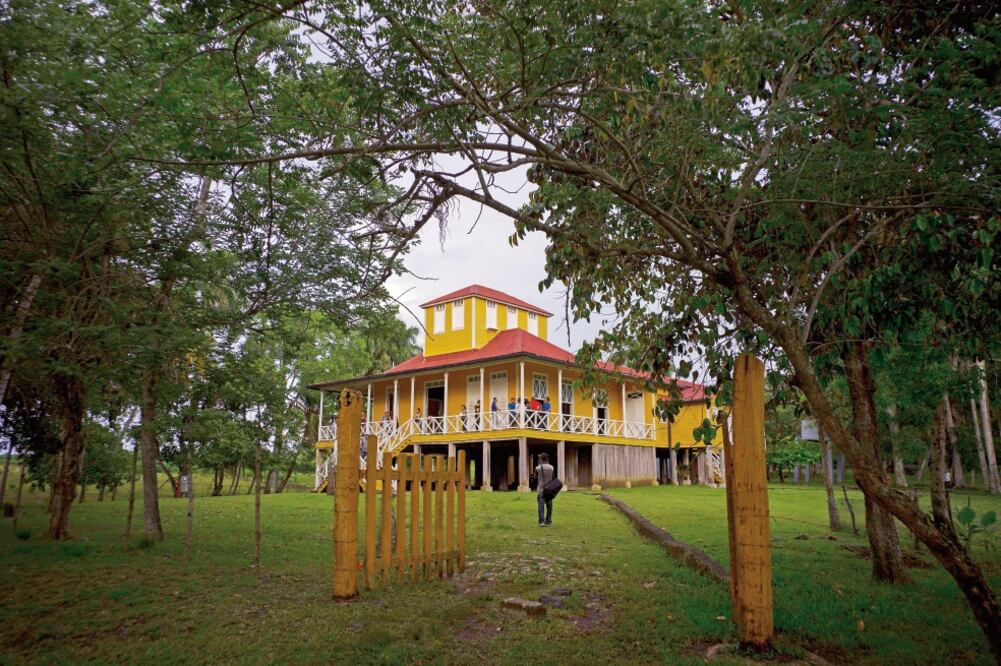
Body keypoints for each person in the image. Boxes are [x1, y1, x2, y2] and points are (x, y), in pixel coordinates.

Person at [535, 453, 556, 526]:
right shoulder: (551, 467)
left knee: (541, 507)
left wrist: (539, 464)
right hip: (549, 489)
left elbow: (535, 477)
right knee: (549, 506)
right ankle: (548, 520)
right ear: (547, 459)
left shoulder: (538, 468)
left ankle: (541, 522)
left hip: (541, 489)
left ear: (540, 459)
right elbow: (553, 478)